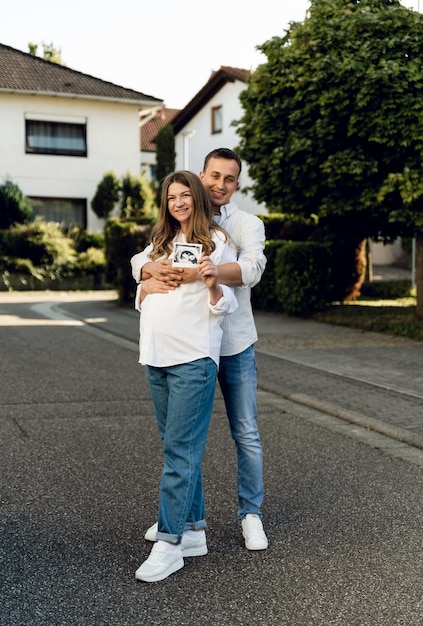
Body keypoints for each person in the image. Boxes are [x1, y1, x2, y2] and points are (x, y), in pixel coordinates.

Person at [132, 148, 268, 551]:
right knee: (185, 440)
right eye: (214, 176)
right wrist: (146, 272)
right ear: (201, 176)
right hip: (189, 344)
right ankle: (189, 523)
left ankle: (251, 515)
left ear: (237, 184)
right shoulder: (180, 216)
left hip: (233, 342)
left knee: (245, 432)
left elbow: (252, 269)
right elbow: (144, 255)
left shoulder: (243, 225)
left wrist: (199, 274)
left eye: (229, 179)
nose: (220, 185)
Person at [131, 170, 238, 583]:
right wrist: (146, 280)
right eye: (170, 197)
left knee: (180, 452)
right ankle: (193, 530)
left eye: (184, 196)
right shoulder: (159, 242)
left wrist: (211, 282)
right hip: (156, 356)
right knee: (177, 448)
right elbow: (137, 264)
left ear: (196, 197)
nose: (177, 203)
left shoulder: (217, 242)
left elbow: (223, 303)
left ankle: (170, 542)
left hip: (193, 358)